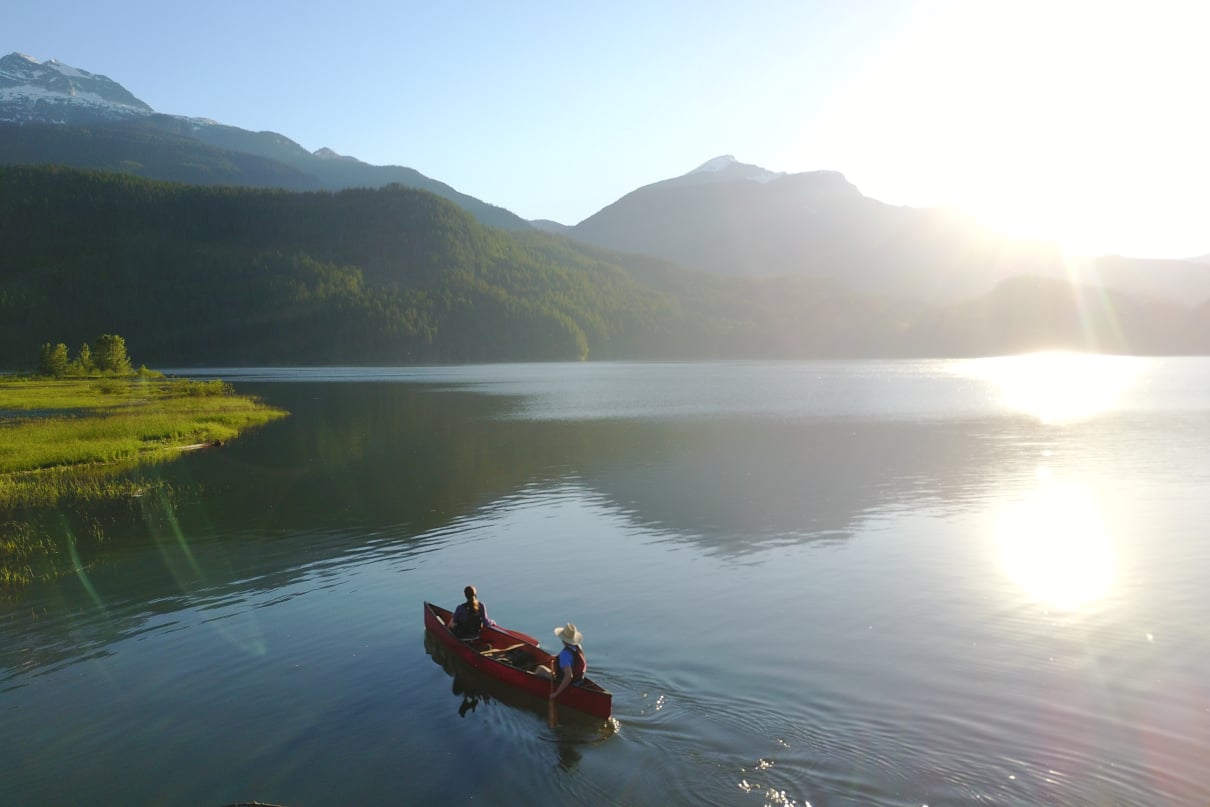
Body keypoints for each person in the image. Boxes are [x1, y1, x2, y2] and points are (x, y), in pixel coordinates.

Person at [536, 622, 587, 701]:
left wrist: (555, 694)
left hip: (570, 683)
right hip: (579, 680)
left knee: (540, 669)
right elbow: (574, 660)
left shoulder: (564, 655)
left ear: (563, 639)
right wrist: (556, 658)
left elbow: (569, 676)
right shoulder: (578, 647)